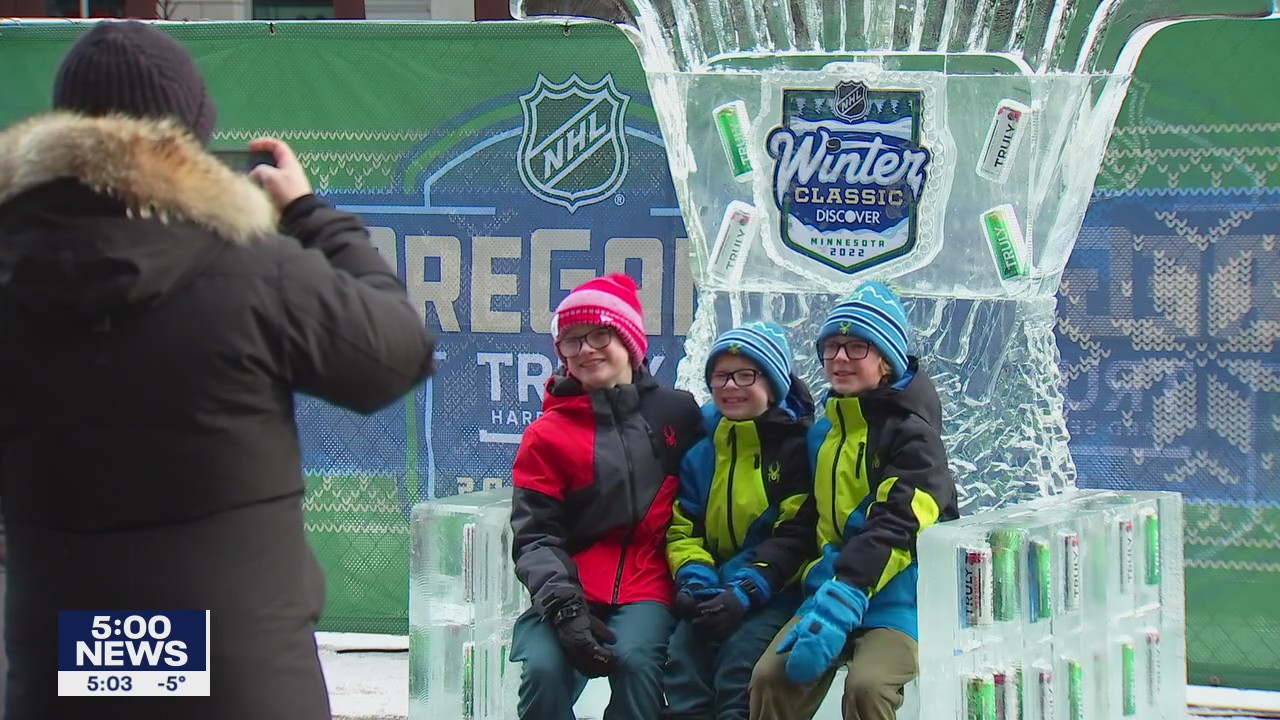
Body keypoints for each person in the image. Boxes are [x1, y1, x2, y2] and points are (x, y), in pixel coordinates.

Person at [0, 21, 435, 720]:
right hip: (242, 666)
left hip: (58, 656)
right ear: (189, 147)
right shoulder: (257, 268)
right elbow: (395, 355)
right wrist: (308, 213)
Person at [749, 282, 959, 720]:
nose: (840, 359)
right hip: (826, 591)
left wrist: (846, 593)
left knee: (867, 687)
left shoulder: (914, 436)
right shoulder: (823, 431)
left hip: (899, 601)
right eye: (832, 348)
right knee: (771, 677)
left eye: (857, 347)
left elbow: (898, 524)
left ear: (885, 361)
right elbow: (807, 519)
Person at [509, 273, 703, 720]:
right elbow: (534, 535)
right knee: (543, 669)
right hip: (568, 587)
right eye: (572, 341)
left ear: (630, 342)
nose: (587, 349)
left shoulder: (678, 413)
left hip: (649, 582)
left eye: (600, 334)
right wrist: (564, 608)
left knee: (638, 664)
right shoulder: (545, 434)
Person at [663, 322, 817, 720]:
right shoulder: (702, 450)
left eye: (745, 375)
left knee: (738, 669)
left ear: (773, 383)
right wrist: (695, 583)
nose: (730, 386)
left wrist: (745, 590)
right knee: (683, 657)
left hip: (774, 591)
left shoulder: (797, 448)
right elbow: (684, 528)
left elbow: (796, 536)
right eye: (720, 376)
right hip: (712, 585)